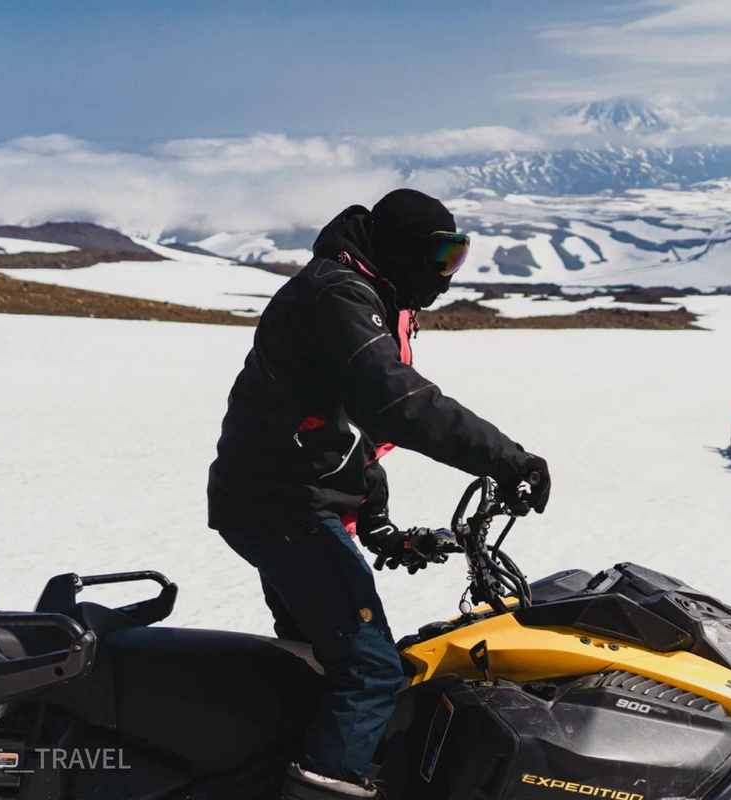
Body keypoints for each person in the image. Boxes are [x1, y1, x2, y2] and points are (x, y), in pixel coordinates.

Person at [207, 189, 551, 799]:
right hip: (281, 506)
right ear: (400, 251)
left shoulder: (362, 288)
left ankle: (284, 767)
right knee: (369, 671)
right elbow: (396, 404)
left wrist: (377, 521)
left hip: (280, 495)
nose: (446, 275)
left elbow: (335, 427)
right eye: (442, 257)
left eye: (460, 258)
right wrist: (508, 460)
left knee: (319, 660)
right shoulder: (338, 294)